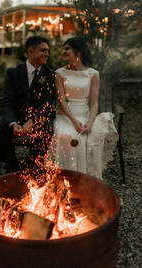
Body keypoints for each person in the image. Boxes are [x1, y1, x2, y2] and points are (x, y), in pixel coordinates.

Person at [46, 37, 118, 179]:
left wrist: (89, 123)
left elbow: (94, 103)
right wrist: (73, 121)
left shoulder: (93, 74)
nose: (63, 51)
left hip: (85, 115)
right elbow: (61, 101)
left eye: (67, 49)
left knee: (87, 138)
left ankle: (85, 180)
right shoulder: (59, 73)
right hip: (66, 115)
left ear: (78, 52)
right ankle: (65, 179)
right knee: (65, 136)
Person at [0, 36, 56, 172]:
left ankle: (31, 165)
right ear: (31, 52)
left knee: (48, 129)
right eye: (43, 50)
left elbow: (47, 103)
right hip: (15, 117)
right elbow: (6, 100)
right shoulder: (13, 73)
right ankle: (12, 165)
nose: (47, 54)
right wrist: (13, 123)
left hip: (37, 118)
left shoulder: (49, 75)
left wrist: (33, 121)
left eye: (47, 51)